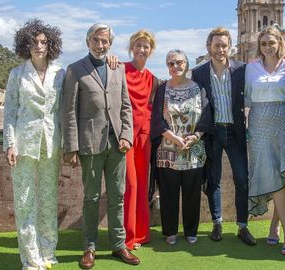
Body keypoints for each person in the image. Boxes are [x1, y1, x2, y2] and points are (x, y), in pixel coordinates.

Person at [61, 23, 139, 268]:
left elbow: (126, 106)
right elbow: (69, 112)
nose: (100, 45)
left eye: (105, 41)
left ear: (110, 44)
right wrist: (71, 147)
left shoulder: (117, 68)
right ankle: (89, 248)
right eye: (96, 40)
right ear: (88, 42)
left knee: (118, 196)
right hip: (90, 145)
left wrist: (126, 135)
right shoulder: (75, 70)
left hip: (117, 144)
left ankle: (118, 245)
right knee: (91, 198)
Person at [3, 19, 64, 270]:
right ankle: (30, 257)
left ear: (51, 45)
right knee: (25, 200)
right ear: (26, 45)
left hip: (51, 142)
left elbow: (63, 110)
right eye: (35, 42)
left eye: (44, 41)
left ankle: (48, 252)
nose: (39, 46)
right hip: (23, 143)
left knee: (49, 198)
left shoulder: (60, 73)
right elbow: (9, 112)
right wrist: (9, 144)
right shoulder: (17, 74)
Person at [191, 27, 256, 246]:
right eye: (217, 45)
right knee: (213, 178)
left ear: (230, 47)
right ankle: (217, 222)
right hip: (212, 132)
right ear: (209, 46)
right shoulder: (198, 73)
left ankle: (242, 226)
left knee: (242, 179)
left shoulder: (242, 69)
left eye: (224, 45)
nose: (221, 49)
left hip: (235, 131)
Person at [244, 25, 285, 255]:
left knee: (281, 176)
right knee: (269, 175)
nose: (267, 47)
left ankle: (282, 228)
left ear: (279, 44)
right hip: (257, 127)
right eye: (263, 43)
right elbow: (245, 98)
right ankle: (282, 227)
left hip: (282, 125)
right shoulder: (250, 69)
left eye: (271, 43)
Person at [150, 49, 211, 245]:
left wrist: (195, 136)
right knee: (169, 193)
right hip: (168, 150)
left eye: (179, 62)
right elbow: (157, 120)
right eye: (171, 63)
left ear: (186, 64)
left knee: (192, 193)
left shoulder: (198, 88)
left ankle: (191, 230)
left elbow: (206, 115)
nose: (175, 66)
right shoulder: (162, 89)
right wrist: (174, 138)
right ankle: (170, 231)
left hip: (194, 150)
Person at [122, 30, 158, 250]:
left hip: (144, 136)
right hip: (125, 135)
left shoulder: (152, 78)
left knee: (143, 184)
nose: (142, 49)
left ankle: (142, 234)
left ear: (151, 50)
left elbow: (152, 106)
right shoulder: (119, 70)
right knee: (131, 185)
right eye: (138, 45)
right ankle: (127, 237)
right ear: (131, 48)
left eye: (146, 46)